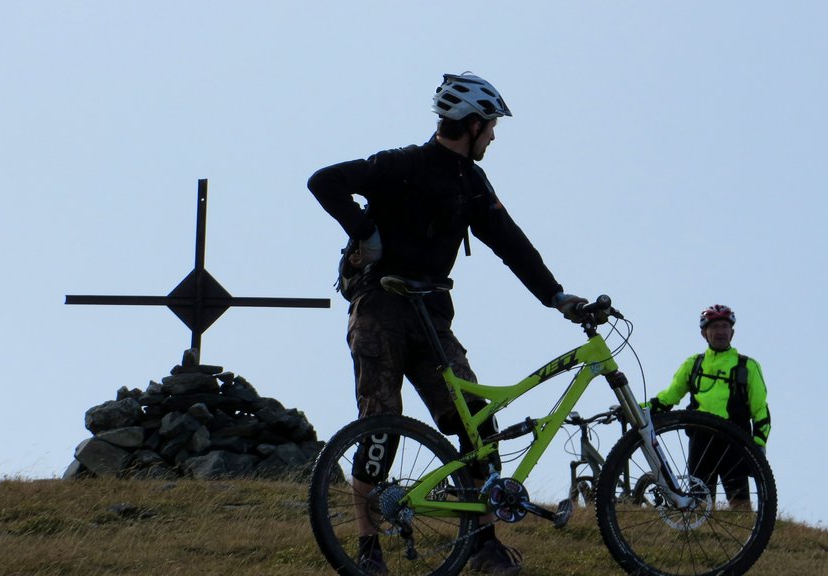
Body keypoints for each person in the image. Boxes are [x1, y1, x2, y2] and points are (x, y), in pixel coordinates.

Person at [308, 72, 590, 576]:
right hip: (380, 305)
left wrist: (555, 295)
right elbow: (324, 181)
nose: (495, 138)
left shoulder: (471, 184)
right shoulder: (403, 164)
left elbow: (511, 242)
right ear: (473, 123)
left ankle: (483, 544)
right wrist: (365, 231)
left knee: (476, 422)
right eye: (492, 127)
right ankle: (368, 550)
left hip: (433, 316)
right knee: (380, 424)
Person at [647, 304, 771, 506]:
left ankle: (749, 535)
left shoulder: (748, 366)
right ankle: (703, 536)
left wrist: (758, 444)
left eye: (724, 326)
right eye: (714, 327)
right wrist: (638, 408)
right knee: (699, 503)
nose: (720, 332)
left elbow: (760, 410)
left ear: (732, 332)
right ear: (704, 333)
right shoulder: (693, 364)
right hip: (701, 440)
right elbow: (668, 397)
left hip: (735, 440)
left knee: (740, 504)